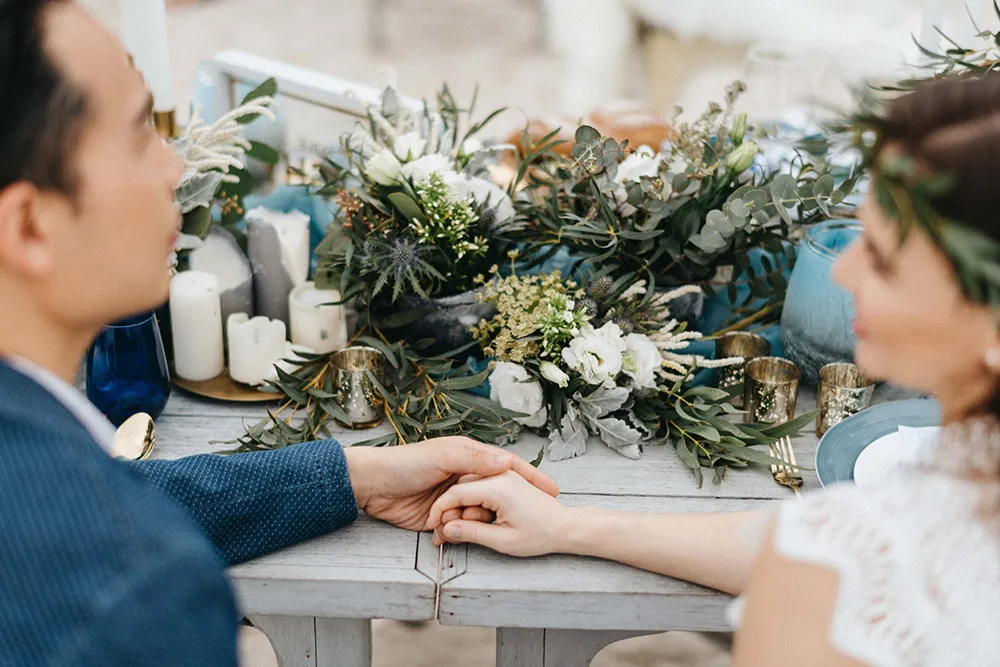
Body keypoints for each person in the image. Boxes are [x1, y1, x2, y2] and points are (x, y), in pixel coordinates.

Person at [0, 1, 557, 665]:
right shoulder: (136, 598)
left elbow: (88, 502)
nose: (176, 168)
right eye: (139, 134)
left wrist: (353, 475)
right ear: (31, 225)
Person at [428, 75, 1000, 666]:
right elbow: (811, 541)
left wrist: (806, 555)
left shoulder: (824, 584)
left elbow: (834, 555)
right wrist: (569, 526)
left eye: (882, 259)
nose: (843, 273)